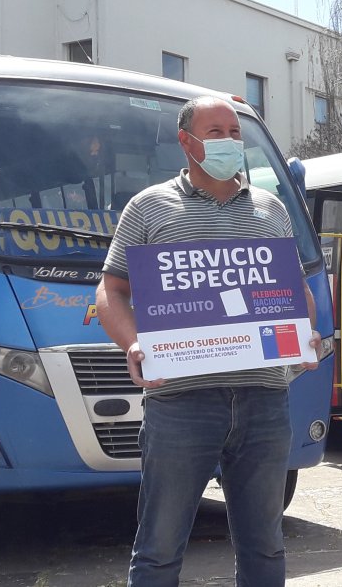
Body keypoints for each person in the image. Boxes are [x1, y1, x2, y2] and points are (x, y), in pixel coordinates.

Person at [95, 95, 318, 587]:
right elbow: (111, 290)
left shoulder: (271, 208)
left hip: (264, 400)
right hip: (179, 402)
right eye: (216, 132)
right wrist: (133, 344)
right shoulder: (149, 207)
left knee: (265, 546)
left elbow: (295, 289)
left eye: (235, 133)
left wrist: (305, 333)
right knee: (159, 548)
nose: (229, 141)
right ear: (186, 141)